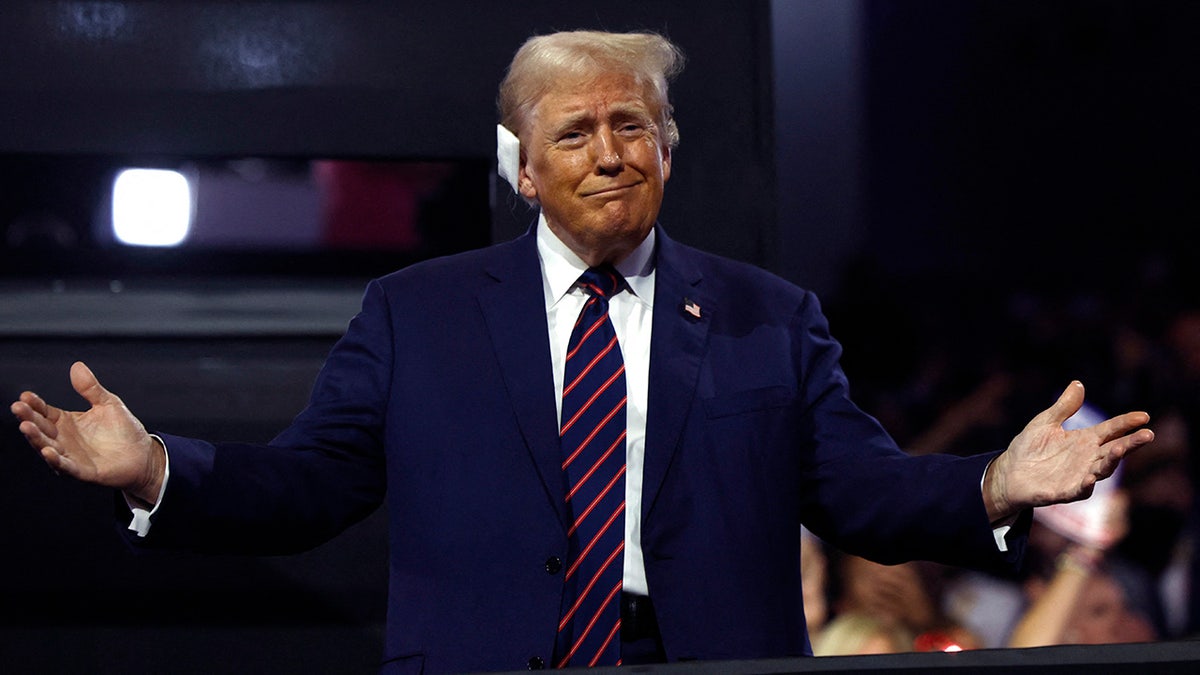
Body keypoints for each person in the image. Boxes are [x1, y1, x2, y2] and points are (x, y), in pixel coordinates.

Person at [9, 30, 1154, 673]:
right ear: (525, 169)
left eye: (632, 127)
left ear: (665, 146)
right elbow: (310, 486)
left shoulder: (770, 315)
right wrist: (159, 468)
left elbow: (860, 492)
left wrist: (993, 485)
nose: (609, 154)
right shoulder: (417, 313)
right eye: (575, 132)